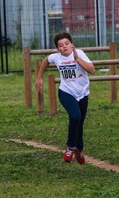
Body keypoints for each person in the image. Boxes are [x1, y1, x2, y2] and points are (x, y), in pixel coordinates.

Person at [36, 32, 95, 164]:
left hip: (83, 93)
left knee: (79, 123)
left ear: (72, 45)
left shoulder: (79, 53)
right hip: (66, 92)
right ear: (58, 49)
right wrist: (39, 77)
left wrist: (77, 59)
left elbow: (92, 70)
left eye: (67, 44)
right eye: (61, 45)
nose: (64, 47)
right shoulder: (56, 57)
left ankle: (79, 148)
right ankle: (70, 147)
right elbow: (46, 60)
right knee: (75, 116)